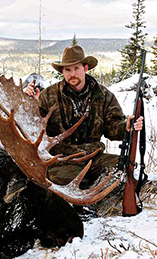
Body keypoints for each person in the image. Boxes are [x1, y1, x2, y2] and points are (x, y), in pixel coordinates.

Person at [24, 45, 143, 191]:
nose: (72, 74)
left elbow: (112, 128)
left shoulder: (104, 96)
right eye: (67, 70)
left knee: (121, 167)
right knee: (62, 179)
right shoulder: (48, 96)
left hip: (93, 157)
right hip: (63, 160)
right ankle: (91, 193)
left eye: (76, 69)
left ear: (85, 68)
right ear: (62, 71)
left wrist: (126, 126)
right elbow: (33, 127)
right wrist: (28, 104)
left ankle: (97, 194)